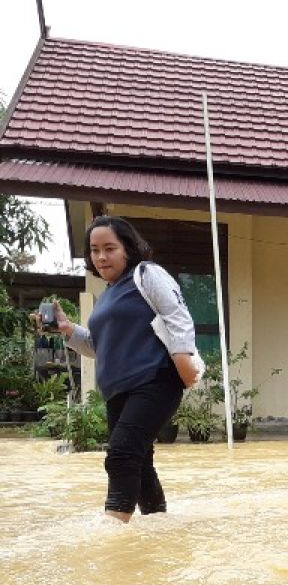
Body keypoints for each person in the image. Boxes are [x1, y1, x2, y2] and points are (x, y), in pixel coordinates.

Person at [45, 216, 201, 522]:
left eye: (109, 248)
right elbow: (97, 345)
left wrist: (184, 361)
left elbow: (178, 315)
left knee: (121, 455)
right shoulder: (107, 295)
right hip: (118, 391)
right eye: (94, 250)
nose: (101, 257)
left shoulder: (147, 274)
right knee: (140, 461)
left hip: (155, 380)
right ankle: (158, 525)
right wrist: (66, 329)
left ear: (127, 248)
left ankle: (113, 531)